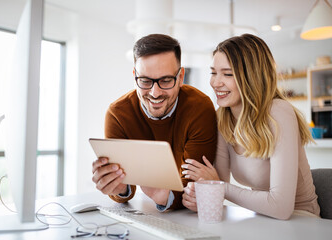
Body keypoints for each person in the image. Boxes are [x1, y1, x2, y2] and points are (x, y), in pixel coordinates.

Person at [181, 33, 320, 220]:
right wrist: (198, 194)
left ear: (252, 77)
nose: (215, 82)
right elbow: (218, 186)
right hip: (262, 218)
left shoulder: (278, 112)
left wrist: (217, 186)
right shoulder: (223, 117)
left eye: (228, 74)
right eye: (213, 72)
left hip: (302, 220)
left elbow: (281, 208)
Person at [92, 34, 218, 211]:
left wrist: (165, 196)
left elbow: (196, 186)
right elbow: (122, 192)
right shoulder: (117, 114)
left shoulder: (200, 108)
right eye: (145, 81)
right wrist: (119, 188)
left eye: (166, 80)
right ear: (135, 76)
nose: (155, 93)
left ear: (181, 77)